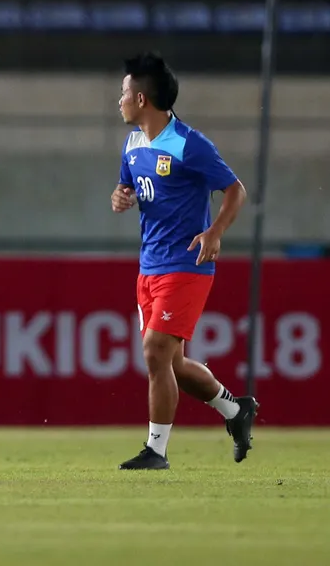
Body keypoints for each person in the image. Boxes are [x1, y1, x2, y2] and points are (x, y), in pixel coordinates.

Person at [111, 52, 256, 470]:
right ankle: (236, 410)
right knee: (172, 363)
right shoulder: (133, 144)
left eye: (122, 92)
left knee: (155, 350)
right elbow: (127, 189)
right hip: (149, 267)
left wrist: (215, 233)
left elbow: (235, 190)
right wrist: (121, 196)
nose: (118, 100)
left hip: (188, 264)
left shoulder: (189, 144)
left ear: (141, 99)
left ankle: (156, 451)